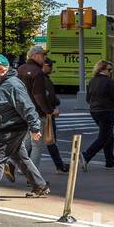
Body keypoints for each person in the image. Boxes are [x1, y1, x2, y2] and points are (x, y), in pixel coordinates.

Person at [0, 54, 49, 203]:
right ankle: (40, 186)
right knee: (20, 158)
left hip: (12, 127)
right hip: (3, 127)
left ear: (1, 69)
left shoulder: (14, 84)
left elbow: (27, 106)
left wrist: (35, 127)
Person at [15, 46, 70, 174]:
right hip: (37, 113)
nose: (44, 58)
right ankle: (33, 176)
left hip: (23, 112)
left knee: (27, 142)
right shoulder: (37, 72)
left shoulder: (21, 69)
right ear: (34, 56)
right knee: (37, 146)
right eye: (42, 55)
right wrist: (49, 111)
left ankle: (14, 164)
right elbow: (39, 95)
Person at [81, 60, 114, 169]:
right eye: (109, 70)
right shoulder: (108, 82)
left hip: (94, 111)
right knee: (104, 137)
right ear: (102, 69)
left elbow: (87, 98)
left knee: (109, 135)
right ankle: (87, 155)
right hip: (106, 111)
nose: (110, 72)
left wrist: (95, 104)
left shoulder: (92, 80)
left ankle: (110, 161)